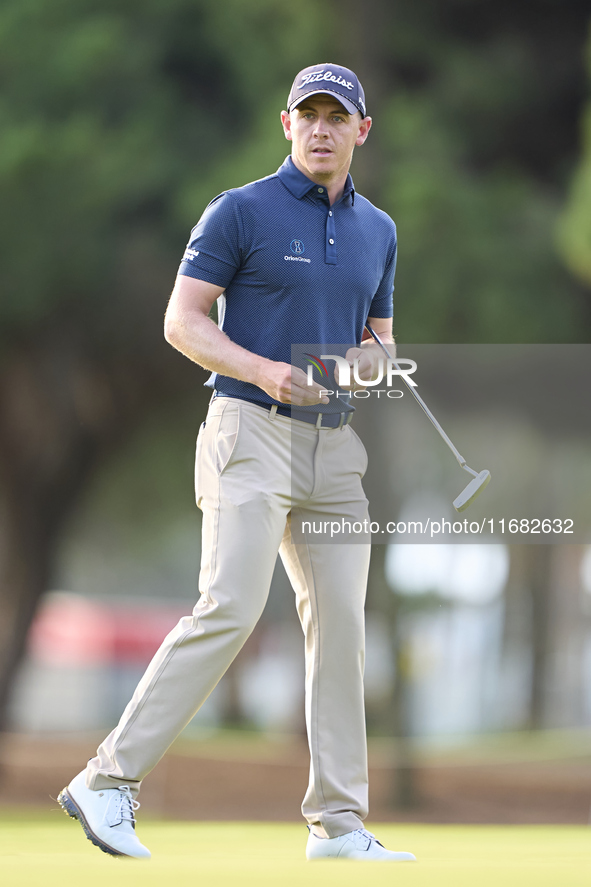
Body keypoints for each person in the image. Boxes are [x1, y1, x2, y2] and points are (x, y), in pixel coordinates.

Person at [58, 62, 415, 863]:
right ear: (284, 124)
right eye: (307, 114)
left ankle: (339, 823)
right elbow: (182, 321)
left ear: (362, 131)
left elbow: (382, 344)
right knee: (230, 605)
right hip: (248, 430)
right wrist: (259, 367)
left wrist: (369, 363)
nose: (321, 128)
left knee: (342, 631)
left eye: (337, 116)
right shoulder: (240, 211)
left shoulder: (379, 231)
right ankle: (106, 780)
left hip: (335, 448)